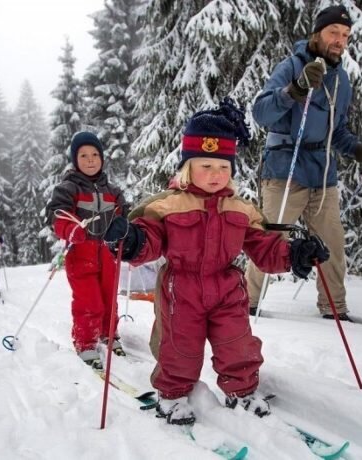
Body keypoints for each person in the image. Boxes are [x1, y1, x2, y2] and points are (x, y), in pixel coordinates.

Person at [102, 99, 330, 425]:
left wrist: (294, 254)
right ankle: (174, 395)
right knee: (180, 348)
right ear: (188, 166)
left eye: (223, 167)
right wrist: (131, 240)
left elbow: (264, 247)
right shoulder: (168, 206)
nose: (215, 175)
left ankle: (242, 391)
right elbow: (149, 240)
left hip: (227, 288)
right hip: (182, 288)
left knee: (238, 345)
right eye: (205, 166)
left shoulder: (241, 209)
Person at [245, 5, 362, 323]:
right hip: (285, 169)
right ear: (317, 34)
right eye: (333, 33)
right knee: (271, 239)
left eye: (345, 35)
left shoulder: (342, 81)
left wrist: (361, 151)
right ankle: (246, 303)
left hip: (323, 173)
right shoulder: (292, 66)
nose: (340, 40)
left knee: (332, 243)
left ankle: (333, 308)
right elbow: (261, 113)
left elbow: (337, 132)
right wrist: (294, 90)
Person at [45, 131, 130, 369]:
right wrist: (69, 228)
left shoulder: (112, 190)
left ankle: (109, 335)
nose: (90, 159)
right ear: (75, 159)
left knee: (109, 297)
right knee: (89, 300)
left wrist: (124, 225)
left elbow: (124, 212)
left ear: (102, 158)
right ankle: (86, 342)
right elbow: (57, 215)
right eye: (83, 155)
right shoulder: (68, 188)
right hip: (81, 253)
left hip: (107, 252)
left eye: (95, 154)